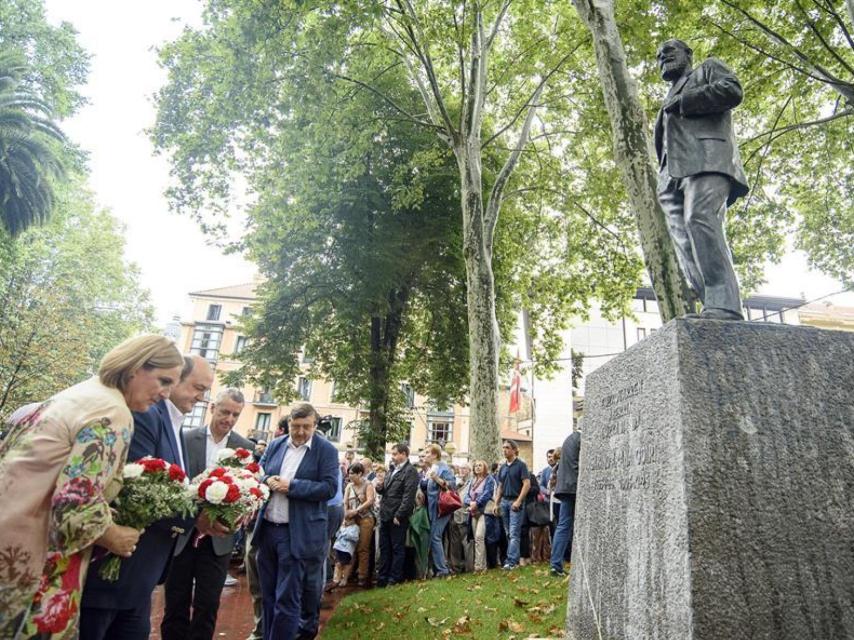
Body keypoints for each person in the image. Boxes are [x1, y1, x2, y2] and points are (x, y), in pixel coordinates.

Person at [0, 334, 183, 638]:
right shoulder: (112, 413)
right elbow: (74, 507)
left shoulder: (76, 395)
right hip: (33, 567)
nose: (165, 394)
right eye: (163, 381)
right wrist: (115, 536)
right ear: (136, 367)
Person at [80, 354, 215, 640]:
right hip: (114, 574)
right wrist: (198, 520)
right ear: (175, 379)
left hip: (140, 577)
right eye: (198, 388)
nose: (202, 398)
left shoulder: (174, 423)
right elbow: (135, 492)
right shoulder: (146, 415)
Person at [654, 38, 749, 321]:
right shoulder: (666, 96)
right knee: (683, 239)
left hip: (708, 160)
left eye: (669, 51)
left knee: (700, 219)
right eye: (659, 56)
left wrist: (686, 101)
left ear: (687, 54)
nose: (663, 57)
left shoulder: (707, 69)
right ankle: (713, 306)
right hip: (671, 176)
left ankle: (726, 305)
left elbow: (732, 91)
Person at [160, 388, 253, 640]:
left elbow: (248, 493)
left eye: (235, 414)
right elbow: (173, 485)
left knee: (208, 605)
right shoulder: (186, 438)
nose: (229, 419)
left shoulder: (244, 448)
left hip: (218, 540)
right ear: (212, 408)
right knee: (175, 602)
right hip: (182, 536)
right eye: (225, 412)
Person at [254, 403, 339, 640]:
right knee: (267, 594)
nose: (300, 432)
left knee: (287, 597)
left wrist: (291, 486)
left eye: (306, 427)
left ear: (314, 425)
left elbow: (329, 488)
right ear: (289, 424)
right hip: (268, 529)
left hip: (296, 534)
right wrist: (267, 478)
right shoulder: (275, 444)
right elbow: (259, 471)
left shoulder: (326, 451)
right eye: (296, 426)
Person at [375, 443, 419, 587]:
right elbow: (385, 491)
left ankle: (394, 578)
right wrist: (380, 486)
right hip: (385, 514)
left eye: (395, 454)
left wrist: (399, 515)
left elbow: (408, 496)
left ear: (404, 454)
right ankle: (383, 577)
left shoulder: (410, 471)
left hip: (397, 516)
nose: (392, 457)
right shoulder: (392, 469)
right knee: (384, 547)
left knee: (397, 548)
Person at [419, 443, 456, 577]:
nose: (425, 455)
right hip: (431, 507)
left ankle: (442, 570)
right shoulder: (430, 468)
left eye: (428, 453)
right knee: (433, 537)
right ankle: (436, 568)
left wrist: (436, 479)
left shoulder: (443, 468)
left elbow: (452, 486)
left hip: (442, 508)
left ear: (434, 455)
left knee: (435, 536)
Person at [494, 439, 530, 570]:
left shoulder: (521, 465)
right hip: (504, 501)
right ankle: (513, 558)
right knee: (508, 532)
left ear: (514, 450)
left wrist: (519, 501)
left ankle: (511, 561)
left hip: (515, 500)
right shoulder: (502, 467)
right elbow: (500, 486)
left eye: (507, 447)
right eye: (503, 447)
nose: (505, 450)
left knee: (514, 532)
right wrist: (496, 503)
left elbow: (526, 484)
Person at [550, 429, 581, 576]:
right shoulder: (581, 439)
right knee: (569, 526)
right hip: (575, 487)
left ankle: (555, 564)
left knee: (563, 526)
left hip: (564, 487)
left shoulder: (569, 439)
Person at [343, 462, 376, 587]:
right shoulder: (349, 486)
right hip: (351, 519)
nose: (350, 476)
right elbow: (345, 502)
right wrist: (345, 515)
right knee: (350, 546)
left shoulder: (368, 485)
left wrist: (356, 510)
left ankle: (362, 575)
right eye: (349, 473)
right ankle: (348, 574)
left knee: (363, 548)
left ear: (360, 473)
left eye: (352, 473)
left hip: (365, 519)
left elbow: (370, 500)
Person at [464, 460, 496, 572]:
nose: (477, 467)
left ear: (485, 467)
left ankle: (479, 566)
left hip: (484, 512)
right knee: (477, 539)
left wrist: (476, 503)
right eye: (476, 465)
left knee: (479, 537)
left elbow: (487, 494)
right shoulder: (472, 481)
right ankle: (481, 566)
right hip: (473, 513)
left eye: (480, 465)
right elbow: (466, 497)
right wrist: (471, 503)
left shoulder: (489, 480)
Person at [328, 517, 360, 589]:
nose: (346, 522)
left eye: (349, 520)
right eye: (345, 519)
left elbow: (355, 538)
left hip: (346, 549)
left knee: (346, 564)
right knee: (338, 564)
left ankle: (344, 578)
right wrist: (341, 530)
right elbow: (336, 535)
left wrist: (345, 534)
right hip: (338, 548)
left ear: (353, 520)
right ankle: (336, 579)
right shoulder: (342, 527)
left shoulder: (355, 528)